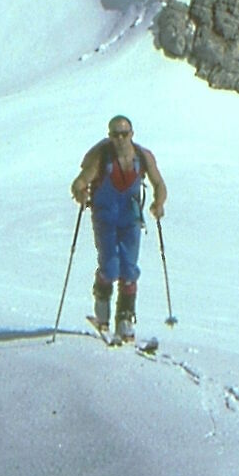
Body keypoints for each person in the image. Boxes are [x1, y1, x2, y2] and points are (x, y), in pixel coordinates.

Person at [70, 115, 167, 342]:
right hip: (105, 218)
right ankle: (102, 313)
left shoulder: (142, 157)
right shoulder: (102, 158)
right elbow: (80, 181)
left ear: (132, 134)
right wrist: (80, 192)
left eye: (124, 134)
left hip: (130, 218)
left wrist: (159, 202)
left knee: (129, 268)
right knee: (110, 266)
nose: (120, 139)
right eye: (116, 134)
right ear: (110, 136)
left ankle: (125, 318)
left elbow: (159, 183)